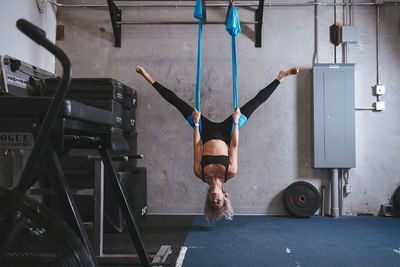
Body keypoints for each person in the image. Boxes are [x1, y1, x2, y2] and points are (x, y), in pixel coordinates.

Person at [136, 66, 299, 222]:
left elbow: (197, 146)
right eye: (218, 202)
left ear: (208, 198)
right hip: (228, 132)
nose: (215, 200)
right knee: (254, 104)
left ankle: (150, 79)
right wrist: (235, 122)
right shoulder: (230, 172)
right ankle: (281, 77)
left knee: (178, 103)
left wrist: (197, 124)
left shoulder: (200, 173)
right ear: (224, 197)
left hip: (204, 131)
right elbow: (234, 146)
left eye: (212, 202)